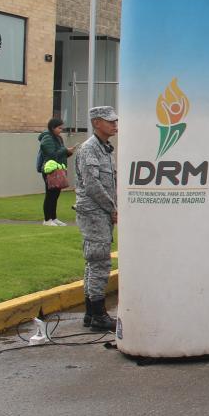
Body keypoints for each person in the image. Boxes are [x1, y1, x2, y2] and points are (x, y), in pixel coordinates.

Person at [74, 106, 119, 332]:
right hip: (94, 213)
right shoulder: (89, 149)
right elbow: (92, 185)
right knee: (99, 262)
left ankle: (91, 313)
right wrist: (112, 208)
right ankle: (98, 315)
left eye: (115, 121)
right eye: (109, 121)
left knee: (94, 262)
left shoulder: (104, 149)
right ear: (96, 123)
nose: (114, 125)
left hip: (99, 212)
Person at [38, 117, 75, 226]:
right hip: (50, 170)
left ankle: (53, 218)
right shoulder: (47, 138)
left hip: (58, 169)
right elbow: (51, 154)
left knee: (55, 195)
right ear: (52, 128)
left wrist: (68, 152)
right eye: (59, 128)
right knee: (50, 195)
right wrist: (64, 150)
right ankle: (47, 219)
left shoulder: (58, 138)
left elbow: (60, 154)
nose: (61, 130)